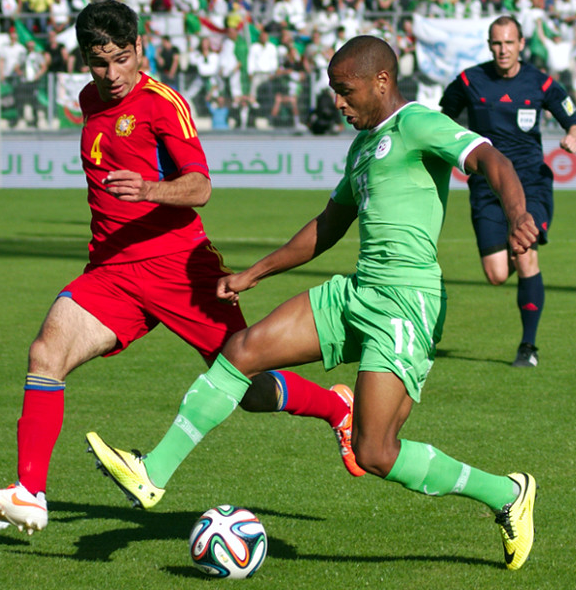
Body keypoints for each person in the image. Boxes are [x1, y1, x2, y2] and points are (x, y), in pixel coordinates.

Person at [89, 34, 540, 571]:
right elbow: (328, 226)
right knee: (242, 349)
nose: (338, 103)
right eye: (333, 92)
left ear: (382, 82)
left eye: (346, 92)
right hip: (356, 292)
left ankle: (506, 493)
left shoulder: (420, 122)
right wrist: (254, 273)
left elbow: (492, 159)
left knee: (375, 453)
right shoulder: (362, 147)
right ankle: (153, 473)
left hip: (406, 304)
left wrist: (516, 216)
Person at [0, 0, 364, 536]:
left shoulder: (162, 105)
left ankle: (336, 408)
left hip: (179, 270)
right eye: (98, 62)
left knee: (245, 386)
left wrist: (149, 189)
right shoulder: (90, 99)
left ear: (140, 49)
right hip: (111, 272)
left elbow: (200, 187)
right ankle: (30, 493)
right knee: (46, 353)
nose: (110, 74)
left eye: (121, 59)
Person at [440, 15, 576, 367]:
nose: (503, 50)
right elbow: (443, 117)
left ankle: (528, 348)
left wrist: (572, 138)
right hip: (486, 188)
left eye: (509, 43)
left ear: (521, 44)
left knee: (525, 250)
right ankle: (512, 251)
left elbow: (574, 122)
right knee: (497, 275)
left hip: (530, 182)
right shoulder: (468, 80)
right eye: (496, 43)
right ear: (490, 45)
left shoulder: (541, 82)